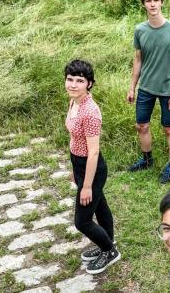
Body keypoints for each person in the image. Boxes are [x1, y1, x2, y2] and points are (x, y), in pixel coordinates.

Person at [126, 0, 170, 183]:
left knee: (168, 128)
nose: (152, 4)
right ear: (143, 4)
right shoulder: (140, 30)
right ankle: (147, 160)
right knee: (141, 125)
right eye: (148, 1)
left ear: (162, 2)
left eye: (156, 0)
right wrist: (132, 87)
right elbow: (138, 60)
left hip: (167, 90)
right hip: (146, 88)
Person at [64, 59, 121, 274]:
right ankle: (108, 243)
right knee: (100, 206)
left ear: (89, 84)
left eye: (80, 80)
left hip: (92, 168)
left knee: (82, 221)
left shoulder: (90, 112)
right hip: (79, 164)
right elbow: (74, 139)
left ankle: (109, 251)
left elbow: (93, 152)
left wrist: (86, 185)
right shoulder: (74, 102)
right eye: (70, 79)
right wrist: (74, 169)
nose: (73, 84)